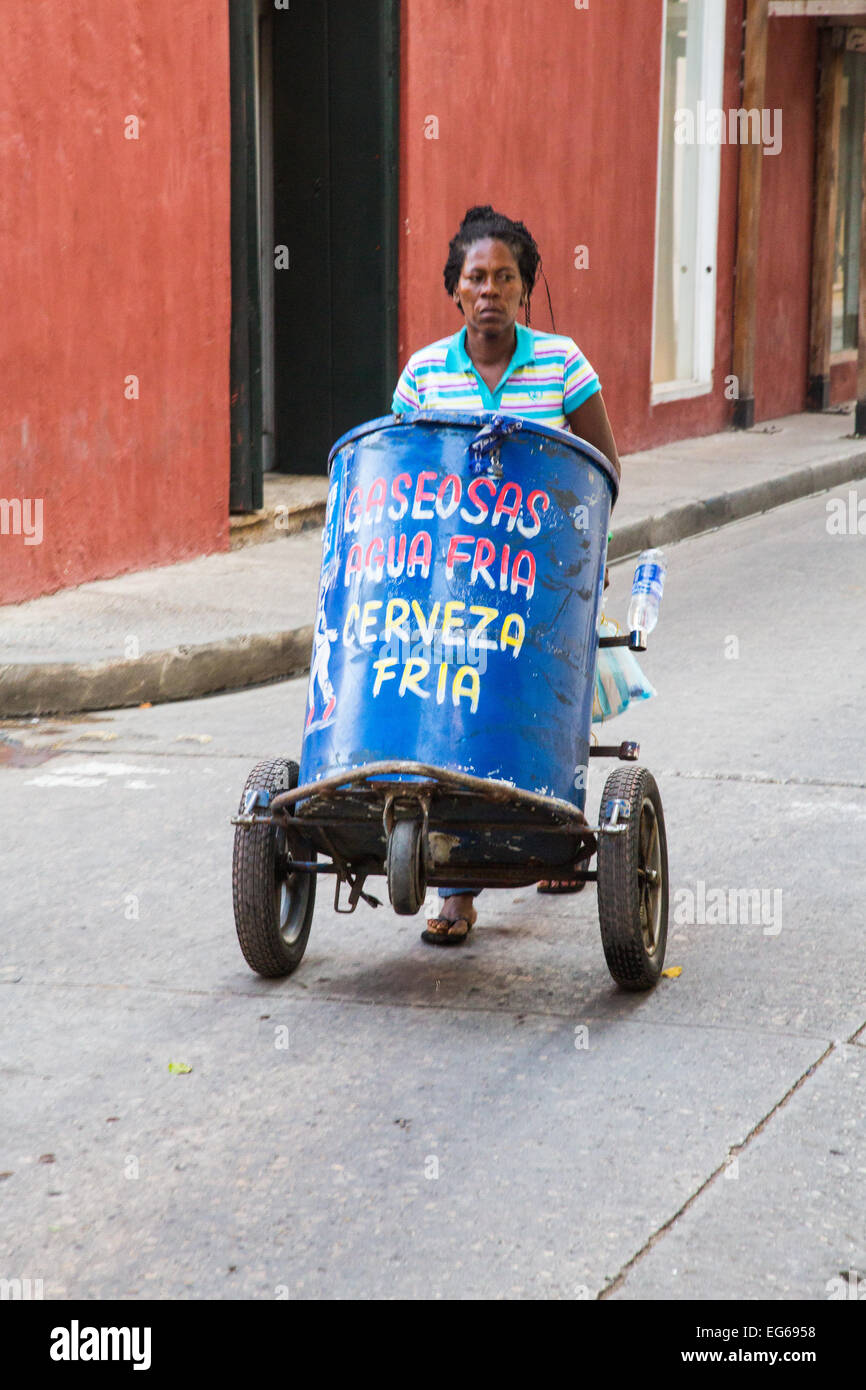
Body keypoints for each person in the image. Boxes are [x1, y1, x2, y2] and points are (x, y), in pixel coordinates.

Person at [391, 205, 621, 946]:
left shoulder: (562, 364)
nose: (489, 290)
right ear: (454, 289)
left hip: (543, 580)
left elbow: (604, 470)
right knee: (452, 723)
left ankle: (554, 829)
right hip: (450, 586)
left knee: (534, 706)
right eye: (475, 277)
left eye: (505, 277)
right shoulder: (424, 373)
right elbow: (394, 475)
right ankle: (455, 889)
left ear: (527, 288)